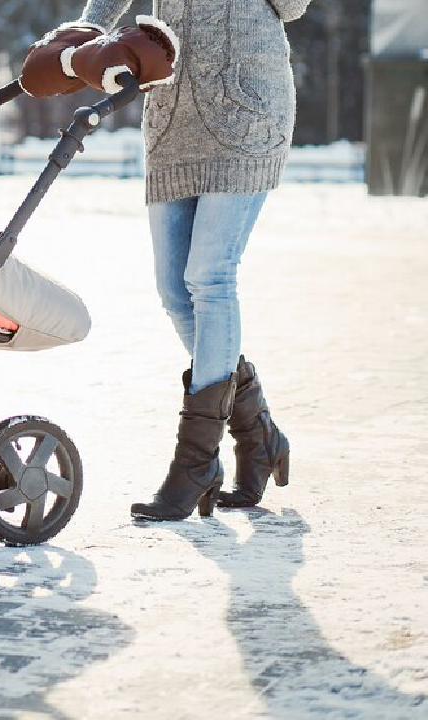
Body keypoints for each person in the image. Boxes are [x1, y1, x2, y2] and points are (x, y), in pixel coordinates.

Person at [20, 0, 309, 520]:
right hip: (172, 117)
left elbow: (292, 8)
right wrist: (76, 41)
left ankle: (195, 463)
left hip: (247, 111)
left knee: (210, 278)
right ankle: (257, 432)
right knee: (175, 291)